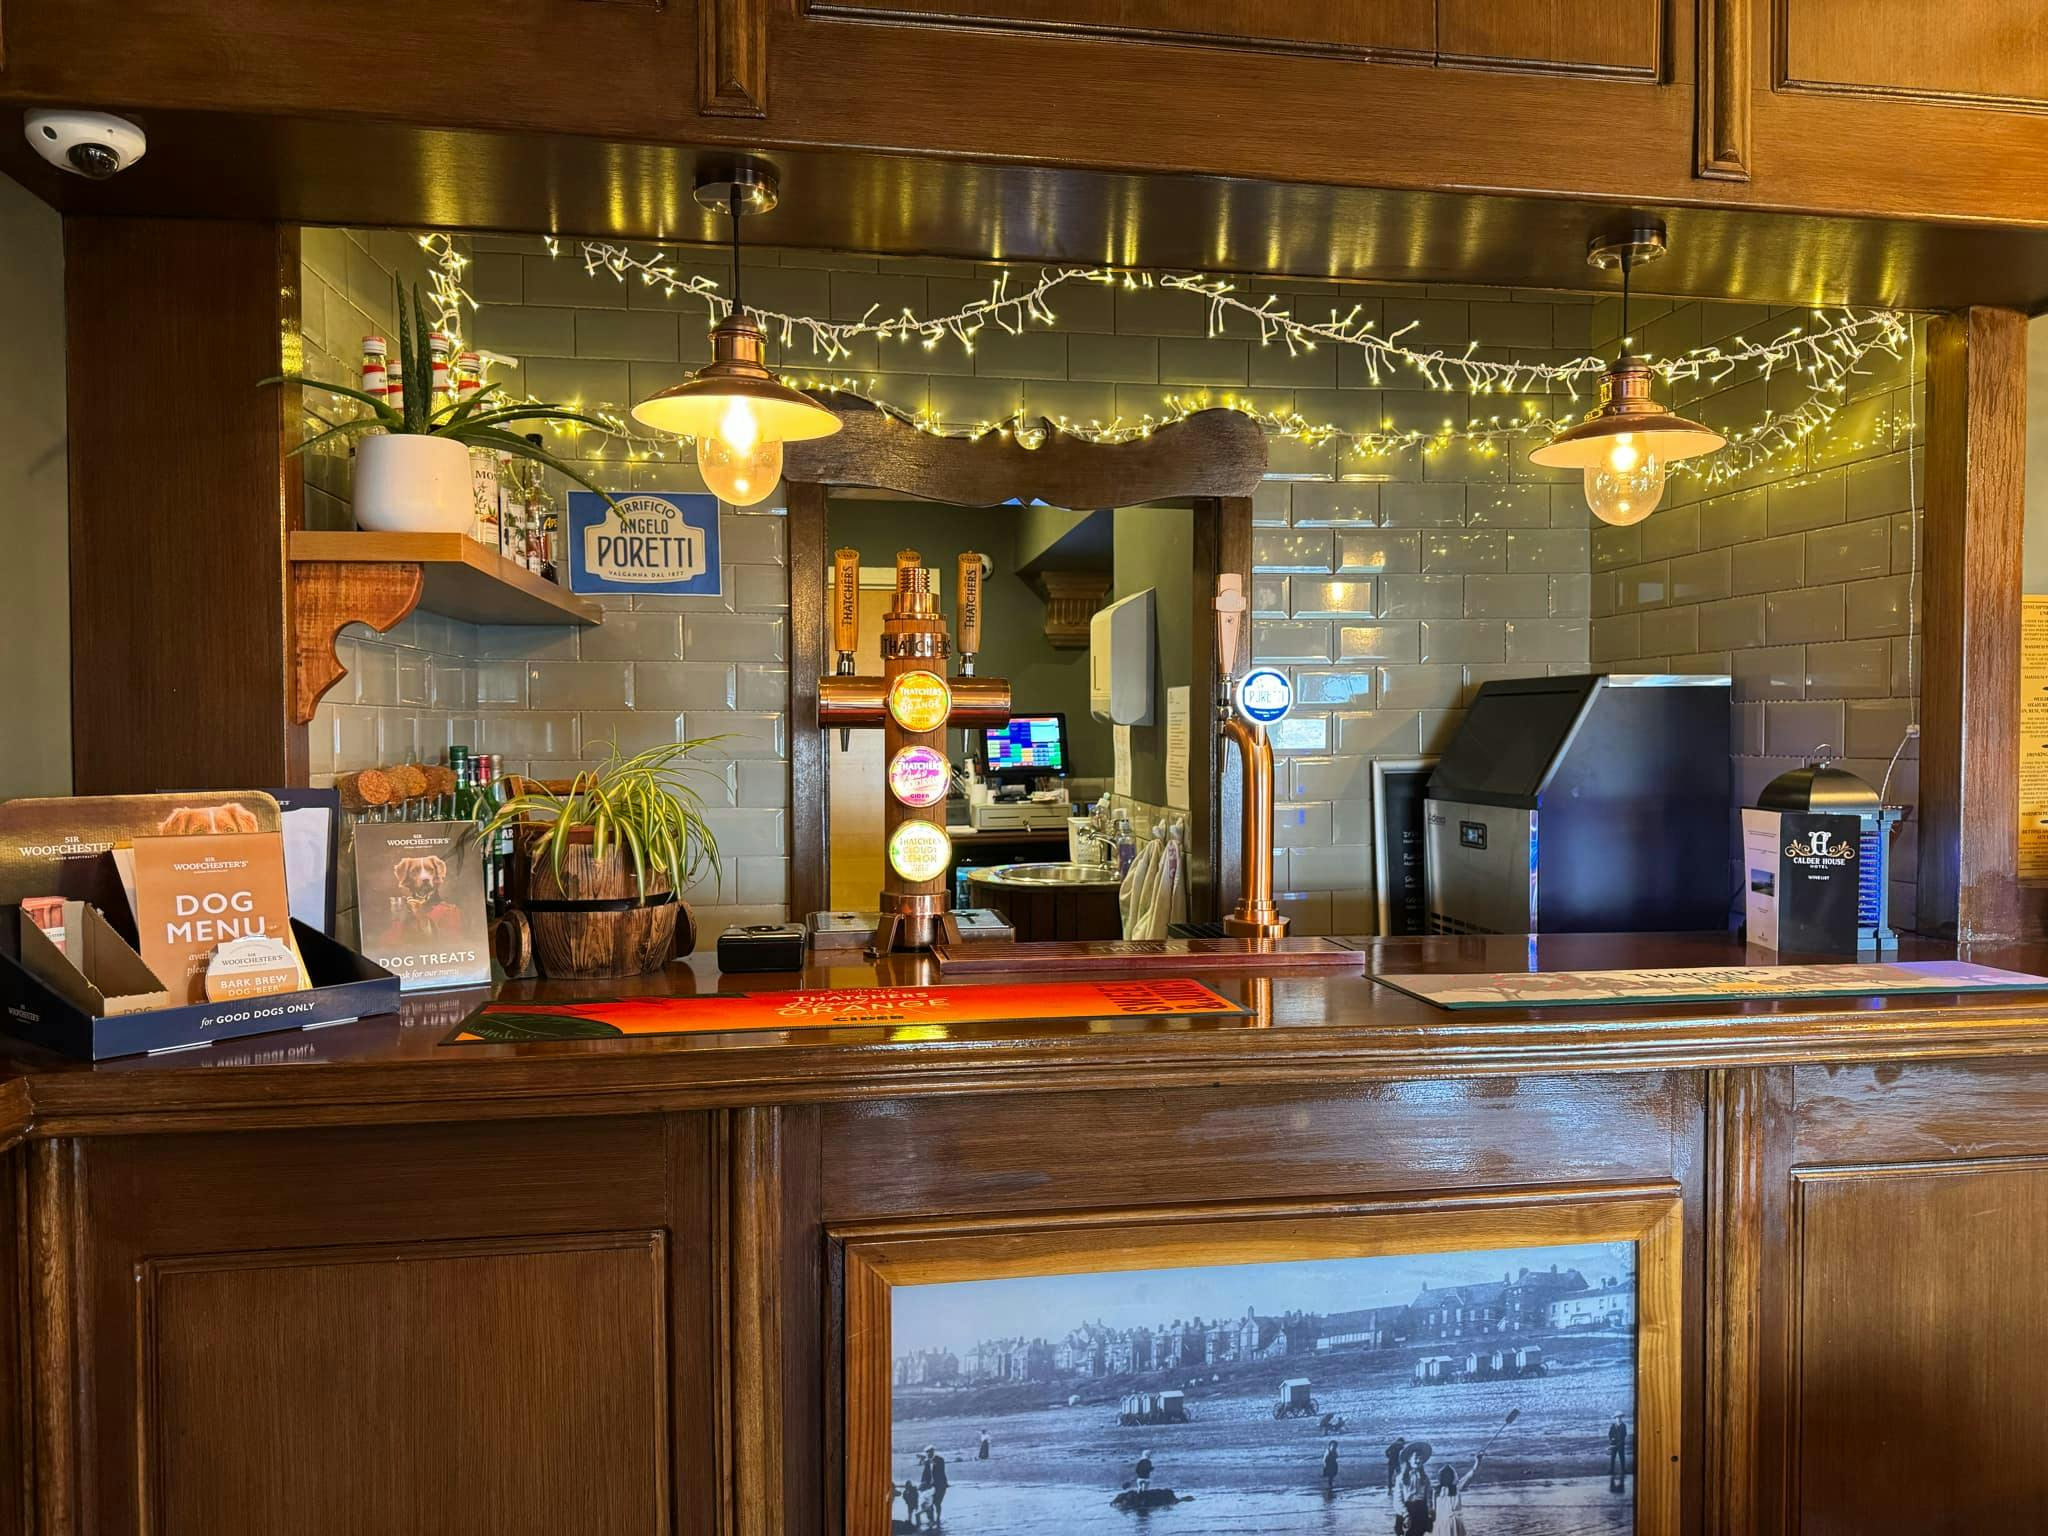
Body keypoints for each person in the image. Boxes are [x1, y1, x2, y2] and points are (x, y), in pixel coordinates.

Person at [1395, 1446, 1435, 1535]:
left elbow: (1428, 1497)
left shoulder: (1425, 1478)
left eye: (1420, 1458)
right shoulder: (1401, 1478)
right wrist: (1405, 1514)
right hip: (1406, 1511)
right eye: (1416, 1458)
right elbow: (1398, 1499)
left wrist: (1429, 1510)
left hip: (1420, 1511)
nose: (1418, 1461)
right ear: (1409, 1459)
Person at [920, 1446, 948, 1525]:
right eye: (927, 1452)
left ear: (933, 1452)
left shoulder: (940, 1460)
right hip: (930, 1486)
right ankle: (931, 1519)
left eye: (930, 1452)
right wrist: (922, 1482)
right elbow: (925, 1473)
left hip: (940, 1485)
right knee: (930, 1503)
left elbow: (941, 1470)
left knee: (937, 1503)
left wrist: (930, 1462)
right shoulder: (927, 1461)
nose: (928, 1453)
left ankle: (938, 1518)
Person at [1608, 1414, 1629, 1493]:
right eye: (1617, 1418)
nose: (1619, 1419)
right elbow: (1610, 1433)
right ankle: (1611, 1470)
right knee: (1613, 1457)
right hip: (1614, 1444)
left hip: (1621, 1444)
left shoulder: (1623, 1425)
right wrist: (1612, 1439)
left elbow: (1624, 1434)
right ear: (1615, 1418)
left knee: (1622, 1457)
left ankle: (1623, 1470)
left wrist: (1620, 1441)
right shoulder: (1613, 1425)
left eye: (1620, 1418)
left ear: (1621, 1418)